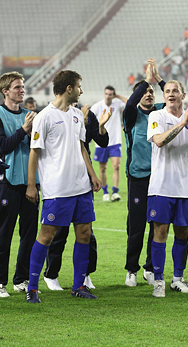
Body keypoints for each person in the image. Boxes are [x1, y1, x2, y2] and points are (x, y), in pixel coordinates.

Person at [25, 70, 101, 302]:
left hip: (81, 187)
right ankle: (33, 287)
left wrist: (93, 175)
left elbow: (81, 147)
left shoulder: (77, 114)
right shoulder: (44, 116)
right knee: (46, 236)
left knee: (84, 234)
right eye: (79, 86)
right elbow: (34, 152)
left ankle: (78, 286)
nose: (81, 90)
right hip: (57, 189)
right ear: (69, 88)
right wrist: (31, 185)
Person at [147, 79, 188, 297]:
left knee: (183, 234)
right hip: (162, 186)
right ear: (163, 96)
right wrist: (182, 123)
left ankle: (177, 278)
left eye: (175, 91)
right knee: (161, 232)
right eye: (167, 91)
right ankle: (158, 281)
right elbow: (159, 141)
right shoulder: (157, 116)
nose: (171, 94)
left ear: (183, 95)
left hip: (185, 187)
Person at [42, 102, 111, 291]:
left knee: (87, 232)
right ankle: (51, 274)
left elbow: (102, 142)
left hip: (82, 177)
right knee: (59, 231)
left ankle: (85, 274)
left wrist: (101, 126)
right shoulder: (53, 115)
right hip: (62, 178)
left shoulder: (85, 113)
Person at [0, 71, 38, 297]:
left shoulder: (31, 115)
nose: (22, 90)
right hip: (6, 182)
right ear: (5, 91)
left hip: (30, 184)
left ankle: (22, 279)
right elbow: (2, 145)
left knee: (29, 235)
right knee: (2, 234)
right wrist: (24, 130)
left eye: (22, 86)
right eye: (17, 87)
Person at [122, 59, 166, 287]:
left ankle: (150, 268)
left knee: (156, 224)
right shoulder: (131, 116)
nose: (149, 94)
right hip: (138, 177)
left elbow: (173, 97)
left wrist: (158, 79)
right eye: (145, 92)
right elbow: (129, 103)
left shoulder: (160, 112)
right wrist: (146, 80)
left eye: (152, 92)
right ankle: (132, 269)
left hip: (159, 178)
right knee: (136, 225)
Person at [91, 86, 128, 202]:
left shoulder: (117, 105)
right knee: (103, 168)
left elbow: (130, 103)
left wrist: (118, 96)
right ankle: (105, 192)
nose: (108, 96)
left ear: (113, 95)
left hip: (115, 142)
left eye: (110, 94)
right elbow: (91, 121)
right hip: (101, 143)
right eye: (106, 93)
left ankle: (115, 192)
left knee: (116, 167)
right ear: (104, 94)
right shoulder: (97, 106)